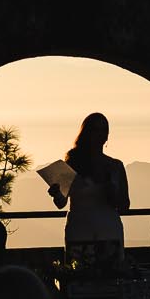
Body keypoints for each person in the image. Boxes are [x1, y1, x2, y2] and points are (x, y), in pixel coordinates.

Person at [49, 112, 130, 270]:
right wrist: (56, 193)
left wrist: (112, 189)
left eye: (103, 130)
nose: (99, 135)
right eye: (95, 130)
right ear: (86, 133)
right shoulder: (71, 164)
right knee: (79, 277)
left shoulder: (116, 166)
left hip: (109, 230)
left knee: (110, 279)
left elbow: (125, 205)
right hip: (79, 230)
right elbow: (61, 203)